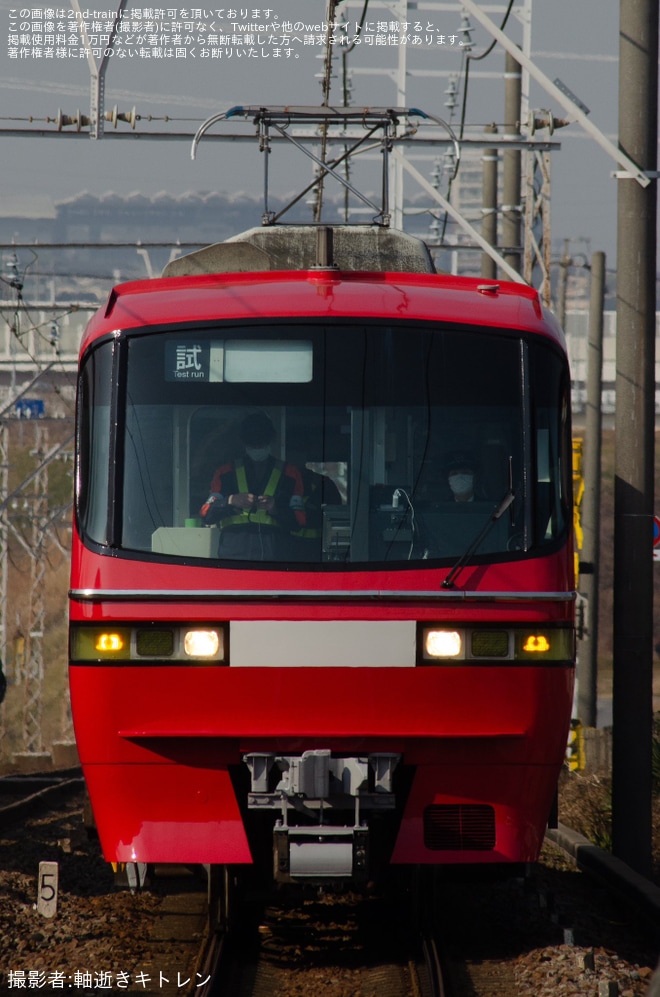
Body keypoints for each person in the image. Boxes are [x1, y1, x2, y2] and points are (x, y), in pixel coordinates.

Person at [200, 412, 306, 560]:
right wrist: (230, 501)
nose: (257, 448)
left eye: (261, 444)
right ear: (243, 442)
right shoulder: (224, 473)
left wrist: (275, 508)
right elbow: (206, 515)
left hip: (275, 558)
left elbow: (299, 521)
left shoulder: (290, 474)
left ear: (271, 440)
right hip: (234, 558)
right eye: (253, 444)